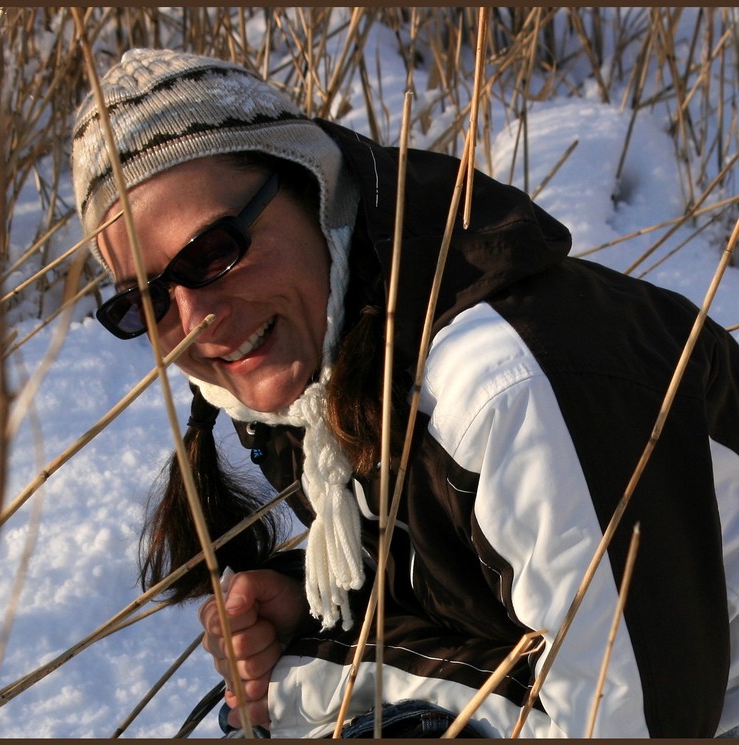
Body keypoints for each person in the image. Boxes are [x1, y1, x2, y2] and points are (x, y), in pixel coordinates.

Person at [70, 48, 739, 738]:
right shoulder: (315, 360)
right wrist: (312, 600)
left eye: (212, 252)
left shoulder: (503, 391)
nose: (195, 322)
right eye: (146, 301)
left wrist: (316, 672)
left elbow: (636, 724)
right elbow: (458, 562)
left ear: (315, 187)